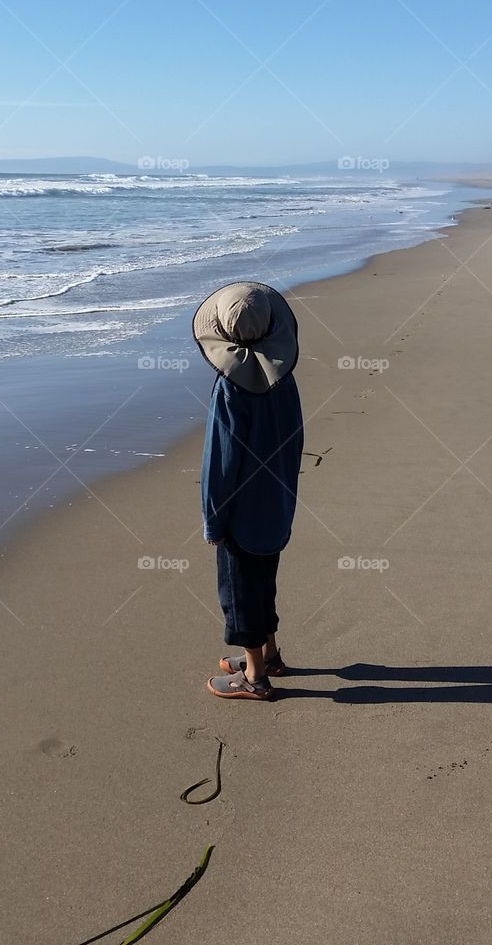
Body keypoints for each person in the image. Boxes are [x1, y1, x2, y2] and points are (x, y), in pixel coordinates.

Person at [192, 281, 304, 701]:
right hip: (276, 500)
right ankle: (269, 653)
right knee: (264, 580)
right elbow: (295, 440)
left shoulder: (231, 390)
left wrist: (213, 520)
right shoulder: (284, 380)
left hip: (240, 512)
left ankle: (255, 676)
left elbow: (219, 463)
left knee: (240, 592)